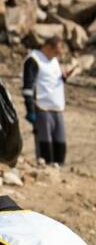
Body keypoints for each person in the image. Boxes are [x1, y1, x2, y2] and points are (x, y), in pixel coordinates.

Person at [22, 33, 76, 165]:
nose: (59, 52)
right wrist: (30, 109)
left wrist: (63, 77)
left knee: (60, 143)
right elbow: (28, 87)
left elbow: (51, 80)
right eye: (57, 49)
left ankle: (59, 169)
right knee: (45, 145)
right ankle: (45, 170)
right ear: (48, 47)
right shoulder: (33, 59)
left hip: (57, 108)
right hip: (42, 109)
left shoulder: (54, 60)